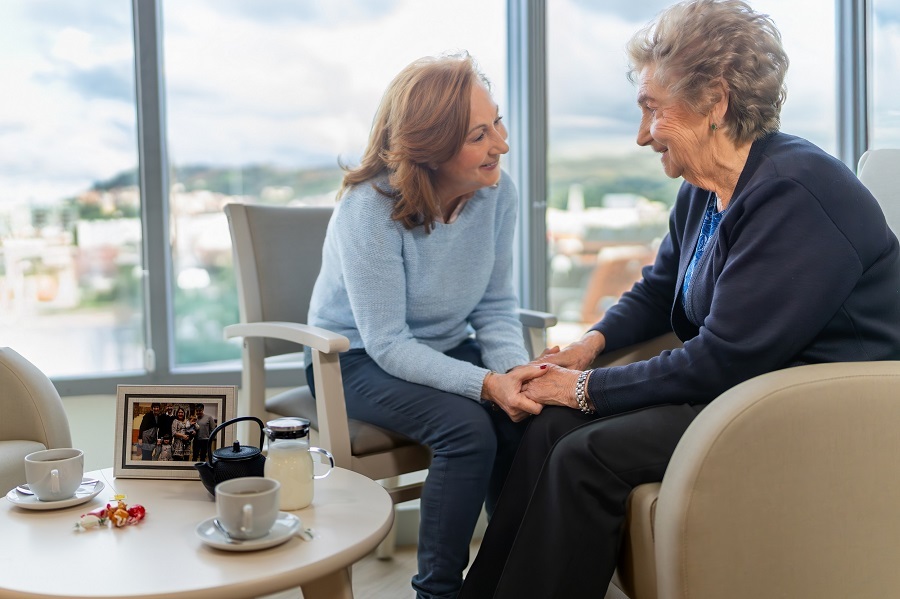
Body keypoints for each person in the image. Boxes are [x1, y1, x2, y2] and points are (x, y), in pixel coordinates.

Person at [460, 1, 900, 597]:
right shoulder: (704, 187)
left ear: (715, 101)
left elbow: (724, 358)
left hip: (812, 407)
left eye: (652, 109)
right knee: (549, 425)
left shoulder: (794, 191)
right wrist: (589, 347)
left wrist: (584, 389)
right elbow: (657, 289)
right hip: (742, 390)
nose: (642, 134)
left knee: (585, 455)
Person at [305, 53, 546, 599]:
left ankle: (509, 580)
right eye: (479, 135)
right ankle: (437, 593)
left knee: (528, 417)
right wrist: (486, 384)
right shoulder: (368, 209)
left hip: (444, 347)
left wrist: (514, 374)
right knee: (468, 431)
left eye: (497, 123)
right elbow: (388, 343)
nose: (502, 145)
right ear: (431, 148)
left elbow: (495, 306)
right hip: (352, 359)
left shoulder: (497, 193)